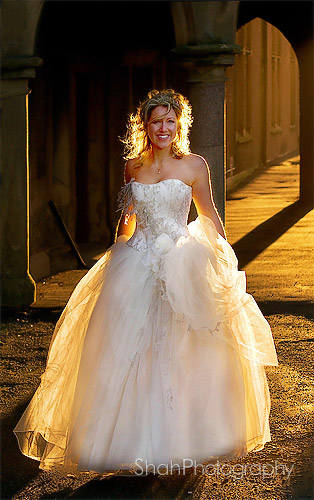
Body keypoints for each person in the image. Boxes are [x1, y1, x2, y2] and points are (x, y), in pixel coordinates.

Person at [13, 89, 278, 476]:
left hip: (182, 263)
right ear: (146, 126)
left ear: (180, 124)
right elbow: (129, 219)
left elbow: (209, 217)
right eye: (156, 122)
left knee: (182, 348)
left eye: (170, 121)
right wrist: (118, 251)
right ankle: (136, 443)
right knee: (129, 348)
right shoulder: (133, 167)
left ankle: (185, 439)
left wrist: (225, 260)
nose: (164, 128)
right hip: (137, 260)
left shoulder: (194, 165)